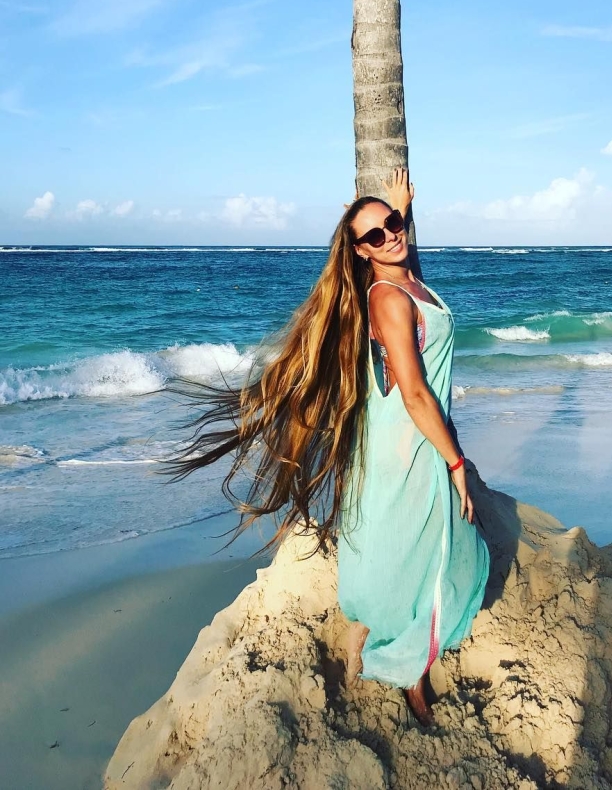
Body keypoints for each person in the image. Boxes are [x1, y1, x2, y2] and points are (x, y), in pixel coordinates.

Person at [166, 169, 489, 727]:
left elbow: (396, 252)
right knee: (415, 546)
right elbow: (414, 393)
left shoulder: (404, 275)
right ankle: (407, 671)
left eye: (394, 225)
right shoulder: (388, 298)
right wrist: (456, 462)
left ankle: (374, 633)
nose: (391, 236)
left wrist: (397, 207)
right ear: (361, 252)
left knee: (408, 540)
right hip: (406, 439)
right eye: (375, 236)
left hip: (407, 433)